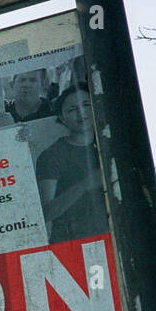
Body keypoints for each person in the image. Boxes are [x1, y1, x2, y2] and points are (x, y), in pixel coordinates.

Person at [34, 85, 109, 243]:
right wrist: (84, 185)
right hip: (71, 245)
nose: (81, 113)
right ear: (62, 118)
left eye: (86, 105)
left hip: (110, 239)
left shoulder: (109, 145)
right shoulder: (52, 156)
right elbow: (46, 212)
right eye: (72, 109)